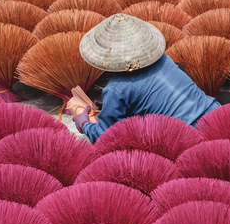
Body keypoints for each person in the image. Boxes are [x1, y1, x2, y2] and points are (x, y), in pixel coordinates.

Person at [73, 13, 221, 142]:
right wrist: (110, 107)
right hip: (218, 115)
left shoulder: (115, 89)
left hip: (189, 135)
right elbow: (154, 97)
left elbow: (105, 136)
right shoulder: (165, 59)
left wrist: (84, 124)